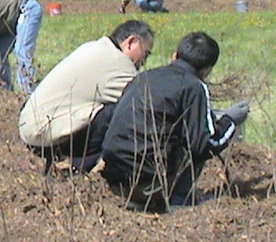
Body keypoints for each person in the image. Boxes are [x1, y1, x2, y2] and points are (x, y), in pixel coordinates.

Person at [100, 31, 250, 213]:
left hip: (112, 174)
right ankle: (175, 198)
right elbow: (204, 145)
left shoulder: (145, 77)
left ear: (175, 56)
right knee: (195, 135)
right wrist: (230, 120)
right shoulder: (194, 87)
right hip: (146, 182)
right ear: (207, 70)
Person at [19, 21, 155, 174]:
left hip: (31, 131)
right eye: (146, 53)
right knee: (125, 111)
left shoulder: (94, 47)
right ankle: (79, 167)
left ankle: (69, 162)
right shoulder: (118, 62)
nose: (144, 62)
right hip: (46, 137)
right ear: (131, 42)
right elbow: (147, 102)